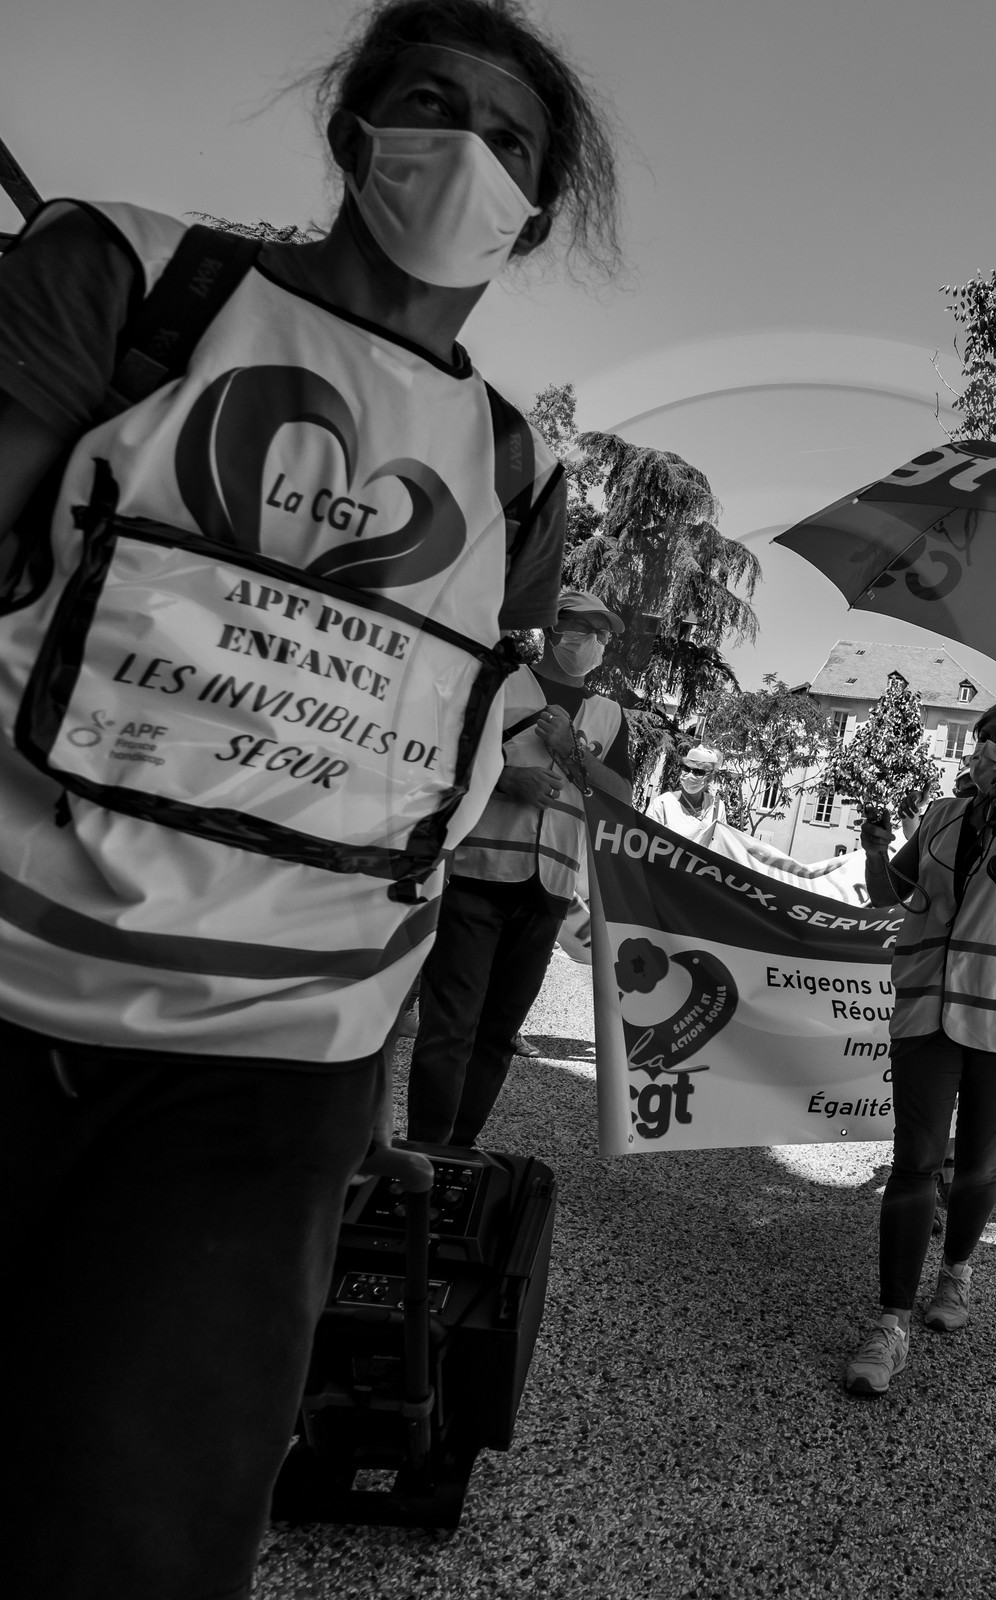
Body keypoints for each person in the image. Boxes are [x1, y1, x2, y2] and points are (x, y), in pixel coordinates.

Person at [0, 3, 618, 1594]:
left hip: (273, 1075)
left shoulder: (511, 471)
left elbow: (443, 738)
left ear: (535, 211)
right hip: (10, 982)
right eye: (431, 102)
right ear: (354, 130)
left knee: (140, 1530)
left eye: (512, 138)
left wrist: (550, 746)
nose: (464, 149)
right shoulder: (132, 283)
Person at [844, 698, 996, 1396]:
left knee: (978, 1165)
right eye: (981, 737)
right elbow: (888, 895)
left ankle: (956, 1272)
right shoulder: (942, 817)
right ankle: (891, 1324)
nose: (983, 749)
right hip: (927, 1013)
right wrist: (875, 847)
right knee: (915, 1162)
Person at [407, 588, 632, 1146]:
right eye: (586, 628)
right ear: (555, 628)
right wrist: (505, 778)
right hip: (475, 877)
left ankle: (458, 1151)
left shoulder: (609, 715)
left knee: (498, 1033)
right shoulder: (503, 683)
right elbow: (438, 754)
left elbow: (621, 798)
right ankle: (426, 1147)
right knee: (450, 1026)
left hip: (548, 892)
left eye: (603, 635)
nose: (594, 642)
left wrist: (569, 752)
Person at [647, 743, 727, 840]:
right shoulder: (663, 803)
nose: (690, 775)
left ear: (709, 776)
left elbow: (720, 844)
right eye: (687, 769)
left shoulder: (716, 807)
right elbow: (647, 839)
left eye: (698, 772)